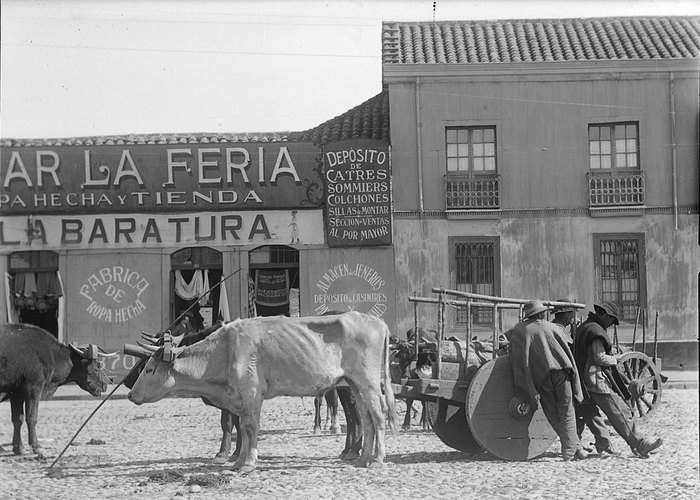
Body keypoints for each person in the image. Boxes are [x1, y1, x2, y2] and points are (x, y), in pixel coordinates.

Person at [574, 301, 663, 458]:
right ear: (604, 315)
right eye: (611, 320)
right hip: (597, 380)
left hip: (583, 379)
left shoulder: (585, 327)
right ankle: (640, 444)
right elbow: (600, 357)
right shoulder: (595, 331)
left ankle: (604, 444)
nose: (610, 324)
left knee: (591, 413)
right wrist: (615, 359)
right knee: (619, 411)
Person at [507, 300, 587, 461]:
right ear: (542, 313)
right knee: (567, 411)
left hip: (541, 376)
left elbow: (514, 353)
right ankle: (574, 448)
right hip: (561, 372)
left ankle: (572, 448)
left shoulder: (521, 330)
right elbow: (567, 345)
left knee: (551, 412)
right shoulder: (552, 327)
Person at [552, 299, 611, 455]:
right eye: (572, 314)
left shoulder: (564, 329)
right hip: (565, 376)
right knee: (575, 410)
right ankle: (578, 446)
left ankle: (586, 443)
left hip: (572, 375)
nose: (575, 317)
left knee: (583, 409)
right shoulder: (558, 331)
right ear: (566, 315)